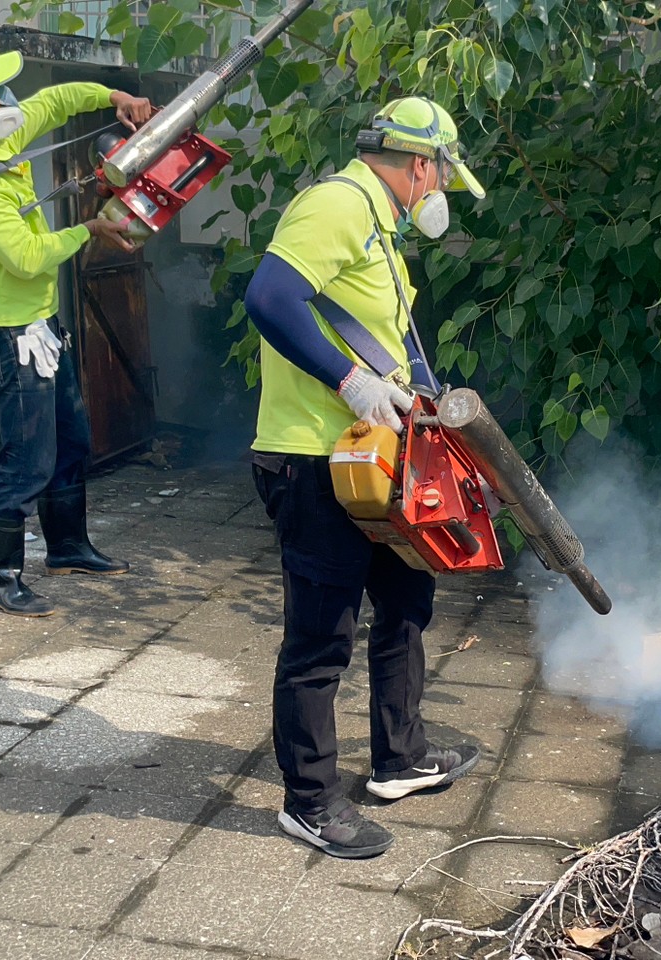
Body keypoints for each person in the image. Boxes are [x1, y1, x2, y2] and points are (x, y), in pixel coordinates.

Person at [241, 97, 488, 858]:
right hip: (316, 459)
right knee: (321, 637)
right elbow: (270, 299)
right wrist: (350, 382)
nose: (441, 188)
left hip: (376, 456)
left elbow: (388, 338)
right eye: (442, 172)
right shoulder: (337, 206)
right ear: (421, 163)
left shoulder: (380, 228)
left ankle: (399, 757)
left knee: (408, 596)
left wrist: (422, 392)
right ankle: (309, 802)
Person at [0, 50, 153, 617]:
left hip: (39, 326)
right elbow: (24, 257)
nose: (8, 102)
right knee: (26, 458)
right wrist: (88, 231)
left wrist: (115, 98)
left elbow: (55, 100)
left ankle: (68, 548)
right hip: (7, 338)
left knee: (71, 439)